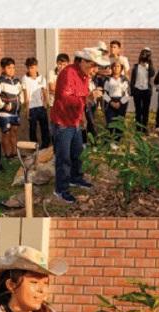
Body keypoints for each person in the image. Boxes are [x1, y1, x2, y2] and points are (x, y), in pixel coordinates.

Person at [50, 48, 109, 204]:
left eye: (97, 66)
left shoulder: (84, 75)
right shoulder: (69, 73)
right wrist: (88, 97)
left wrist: (82, 117)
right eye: (94, 66)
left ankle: (75, 178)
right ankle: (60, 190)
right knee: (64, 158)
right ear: (83, 61)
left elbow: (79, 98)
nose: (96, 70)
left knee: (78, 153)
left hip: (74, 121)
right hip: (63, 122)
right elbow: (65, 98)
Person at [0, 57, 23, 158]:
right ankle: (7, 155)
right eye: (9, 68)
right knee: (6, 133)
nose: (12, 70)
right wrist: (4, 106)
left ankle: (15, 153)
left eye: (13, 68)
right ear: (3, 69)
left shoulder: (17, 80)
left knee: (14, 132)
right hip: (5, 114)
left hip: (16, 112)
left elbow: (20, 93)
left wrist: (21, 103)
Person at [21, 57, 50, 149]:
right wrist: (27, 108)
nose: (31, 70)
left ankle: (45, 145)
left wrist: (46, 102)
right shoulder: (25, 78)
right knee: (32, 128)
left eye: (33, 67)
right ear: (27, 68)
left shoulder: (41, 78)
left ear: (37, 67)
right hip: (31, 107)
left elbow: (44, 90)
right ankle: (34, 147)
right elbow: (25, 94)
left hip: (41, 106)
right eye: (29, 68)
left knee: (44, 127)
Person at [103, 60, 131, 139]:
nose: (116, 68)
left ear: (121, 68)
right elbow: (104, 93)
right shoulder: (108, 79)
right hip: (110, 102)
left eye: (118, 66)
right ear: (112, 68)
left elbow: (127, 94)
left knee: (119, 122)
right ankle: (109, 139)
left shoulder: (124, 80)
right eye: (114, 66)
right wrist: (111, 102)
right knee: (110, 122)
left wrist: (120, 103)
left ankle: (118, 141)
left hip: (121, 102)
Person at [131, 47, 155, 132]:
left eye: (146, 55)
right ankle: (138, 128)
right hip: (137, 90)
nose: (144, 56)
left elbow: (152, 74)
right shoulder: (136, 67)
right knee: (138, 110)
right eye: (143, 54)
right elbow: (132, 79)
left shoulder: (149, 67)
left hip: (146, 91)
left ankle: (144, 128)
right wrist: (132, 91)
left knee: (145, 110)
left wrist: (149, 65)